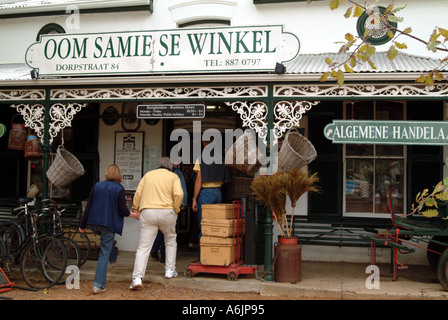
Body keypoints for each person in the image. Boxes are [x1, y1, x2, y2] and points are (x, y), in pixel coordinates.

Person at [79, 164, 139, 294]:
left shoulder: (97, 186)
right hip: (108, 224)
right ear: (118, 175)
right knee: (103, 253)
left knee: (107, 240)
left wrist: (82, 225)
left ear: (107, 173)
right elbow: (123, 211)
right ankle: (98, 285)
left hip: (94, 223)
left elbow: (88, 206)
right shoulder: (119, 189)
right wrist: (135, 215)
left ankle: (113, 259)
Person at [130, 157, 184, 290]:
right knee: (170, 240)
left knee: (143, 247)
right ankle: (169, 271)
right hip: (167, 211)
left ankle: (137, 278)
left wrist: (136, 209)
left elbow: (138, 194)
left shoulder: (148, 175)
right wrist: (175, 209)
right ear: (170, 167)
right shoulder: (173, 176)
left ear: (158, 166)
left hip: (148, 212)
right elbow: (179, 194)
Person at [192, 138, 230, 258]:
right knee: (216, 225)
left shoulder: (201, 157)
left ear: (204, 143)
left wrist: (194, 198)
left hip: (206, 193)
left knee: (204, 226)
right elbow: (225, 179)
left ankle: (203, 256)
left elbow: (199, 179)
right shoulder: (220, 157)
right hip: (218, 193)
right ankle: (215, 255)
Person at [150, 162, 188, 263]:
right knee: (167, 231)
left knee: (161, 229)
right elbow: (181, 189)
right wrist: (182, 203)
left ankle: (156, 249)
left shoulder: (154, 173)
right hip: (169, 205)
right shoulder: (177, 173)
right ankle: (163, 255)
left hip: (156, 204)